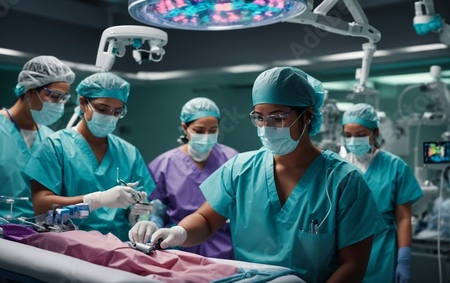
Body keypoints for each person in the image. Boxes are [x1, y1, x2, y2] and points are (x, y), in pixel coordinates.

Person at [130, 66, 386, 282]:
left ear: (307, 116)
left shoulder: (343, 181)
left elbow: (353, 265)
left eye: (277, 118)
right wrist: (180, 233)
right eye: (259, 118)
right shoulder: (241, 169)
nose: (267, 127)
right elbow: (207, 221)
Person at [23, 72, 155, 240]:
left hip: (118, 247)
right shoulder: (55, 146)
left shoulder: (129, 153)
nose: (109, 117)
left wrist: (138, 218)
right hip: (69, 245)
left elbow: (145, 204)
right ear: (83, 103)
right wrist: (95, 200)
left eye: (117, 112)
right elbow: (42, 210)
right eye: (102, 109)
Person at [0, 55, 75, 224]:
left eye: (63, 98)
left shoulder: (51, 140)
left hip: (35, 238)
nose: (59, 104)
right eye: (54, 96)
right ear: (30, 91)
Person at [129, 97, 238, 259]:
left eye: (213, 130)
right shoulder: (164, 164)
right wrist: (152, 225)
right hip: (177, 246)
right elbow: (155, 211)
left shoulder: (232, 160)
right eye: (199, 131)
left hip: (226, 249)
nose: (206, 136)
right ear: (185, 128)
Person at [341, 103, 423, 283]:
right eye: (348, 136)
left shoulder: (396, 167)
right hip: (344, 250)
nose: (354, 141)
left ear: (375, 133)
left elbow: (403, 218)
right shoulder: (338, 167)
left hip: (382, 251)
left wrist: (404, 259)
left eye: (361, 135)